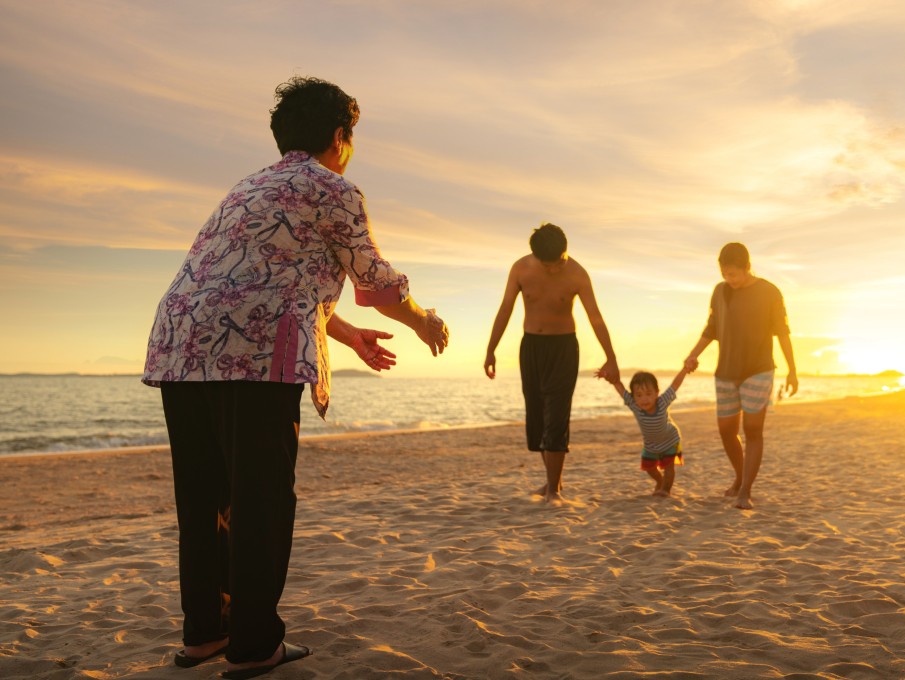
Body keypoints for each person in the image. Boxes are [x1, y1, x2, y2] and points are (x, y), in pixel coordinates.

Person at [142, 76, 449, 678]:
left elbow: (264, 280)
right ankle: (255, 645)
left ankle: (206, 633)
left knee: (205, 498)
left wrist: (348, 336)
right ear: (341, 137)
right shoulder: (333, 188)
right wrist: (423, 320)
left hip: (181, 345)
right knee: (260, 500)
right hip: (252, 356)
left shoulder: (246, 187)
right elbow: (376, 285)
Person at [484, 223, 619, 504]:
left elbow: (595, 316)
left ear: (565, 252)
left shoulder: (578, 274)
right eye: (549, 265)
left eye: (559, 262)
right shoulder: (521, 269)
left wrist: (611, 357)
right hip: (531, 347)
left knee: (557, 416)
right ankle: (551, 482)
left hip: (563, 348)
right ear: (536, 257)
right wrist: (491, 350)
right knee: (537, 418)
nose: (555, 269)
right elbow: (505, 309)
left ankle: (555, 490)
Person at [684, 242, 796, 510]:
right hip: (726, 371)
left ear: (747, 267)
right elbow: (711, 328)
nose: (729, 279)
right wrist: (693, 354)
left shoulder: (770, 292)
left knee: (753, 430)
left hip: (758, 369)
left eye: (733, 274)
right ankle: (739, 475)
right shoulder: (720, 291)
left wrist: (792, 369)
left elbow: (782, 332)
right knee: (726, 431)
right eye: (724, 274)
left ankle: (745, 489)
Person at [598, 368, 690, 496]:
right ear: (633, 397)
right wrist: (611, 378)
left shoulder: (662, 402)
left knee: (669, 467)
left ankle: (665, 490)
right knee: (649, 468)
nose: (644, 399)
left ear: (656, 393)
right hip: (650, 445)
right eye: (639, 395)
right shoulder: (635, 406)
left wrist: (685, 370)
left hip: (670, 441)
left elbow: (675, 385)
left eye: (648, 393)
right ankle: (660, 480)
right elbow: (621, 389)